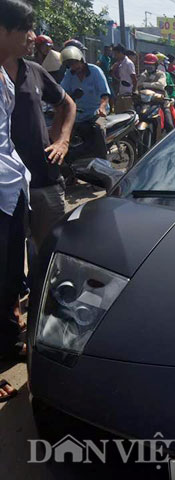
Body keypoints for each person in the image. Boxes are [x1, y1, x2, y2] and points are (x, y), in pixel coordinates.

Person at [4, 36, 76, 249]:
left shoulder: (34, 71)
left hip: (44, 179)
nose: (31, 37)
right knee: (11, 255)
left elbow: (67, 104)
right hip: (7, 188)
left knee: (50, 249)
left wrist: (62, 140)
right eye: (24, 29)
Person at [0, 0, 35, 402]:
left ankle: (8, 344)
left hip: (11, 191)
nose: (31, 37)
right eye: (25, 29)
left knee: (10, 278)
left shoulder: (5, 75)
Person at [60, 44, 110, 159]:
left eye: (75, 63)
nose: (74, 67)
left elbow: (105, 94)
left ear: (81, 60)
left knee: (98, 128)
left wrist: (102, 107)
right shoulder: (69, 75)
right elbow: (62, 92)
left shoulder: (95, 71)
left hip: (97, 112)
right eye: (70, 64)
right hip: (78, 113)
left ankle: (103, 160)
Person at [138, 53, 175, 131]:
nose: (149, 67)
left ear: (156, 65)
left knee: (169, 124)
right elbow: (138, 86)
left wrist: (144, 84)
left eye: (151, 65)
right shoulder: (143, 75)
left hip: (161, 101)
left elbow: (161, 85)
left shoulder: (161, 74)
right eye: (147, 64)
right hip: (145, 102)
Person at [111, 44, 136, 113]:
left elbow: (134, 78)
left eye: (116, 54)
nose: (115, 56)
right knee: (118, 112)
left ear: (120, 52)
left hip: (128, 93)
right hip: (121, 91)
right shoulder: (120, 63)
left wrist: (133, 91)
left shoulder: (128, 63)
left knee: (129, 112)